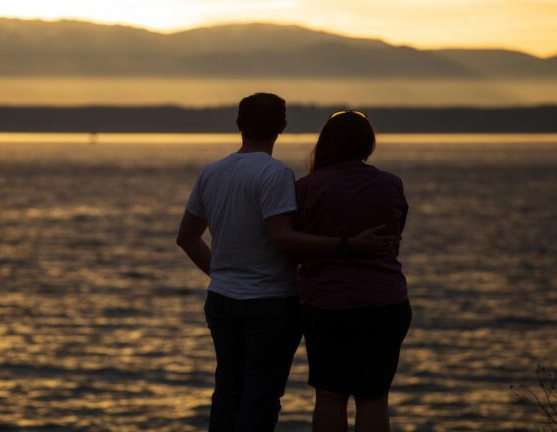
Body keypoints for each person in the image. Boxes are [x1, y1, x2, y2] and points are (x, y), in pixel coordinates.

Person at [175, 94, 398, 432]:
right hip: (270, 302)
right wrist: (347, 245)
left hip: (222, 299)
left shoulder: (212, 171)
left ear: (238, 124)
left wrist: (221, 274)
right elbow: (282, 236)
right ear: (282, 126)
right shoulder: (276, 173)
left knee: (228, 390)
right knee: (261, 396)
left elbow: (187, 237)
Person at [294, 110, 411, 432]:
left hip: (326, 303)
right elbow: (395, 232)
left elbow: (294, 244)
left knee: (330, 395)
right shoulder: (390, 184)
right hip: (385, 302)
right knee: (374, 397)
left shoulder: (306, 188)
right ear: (368, 145)